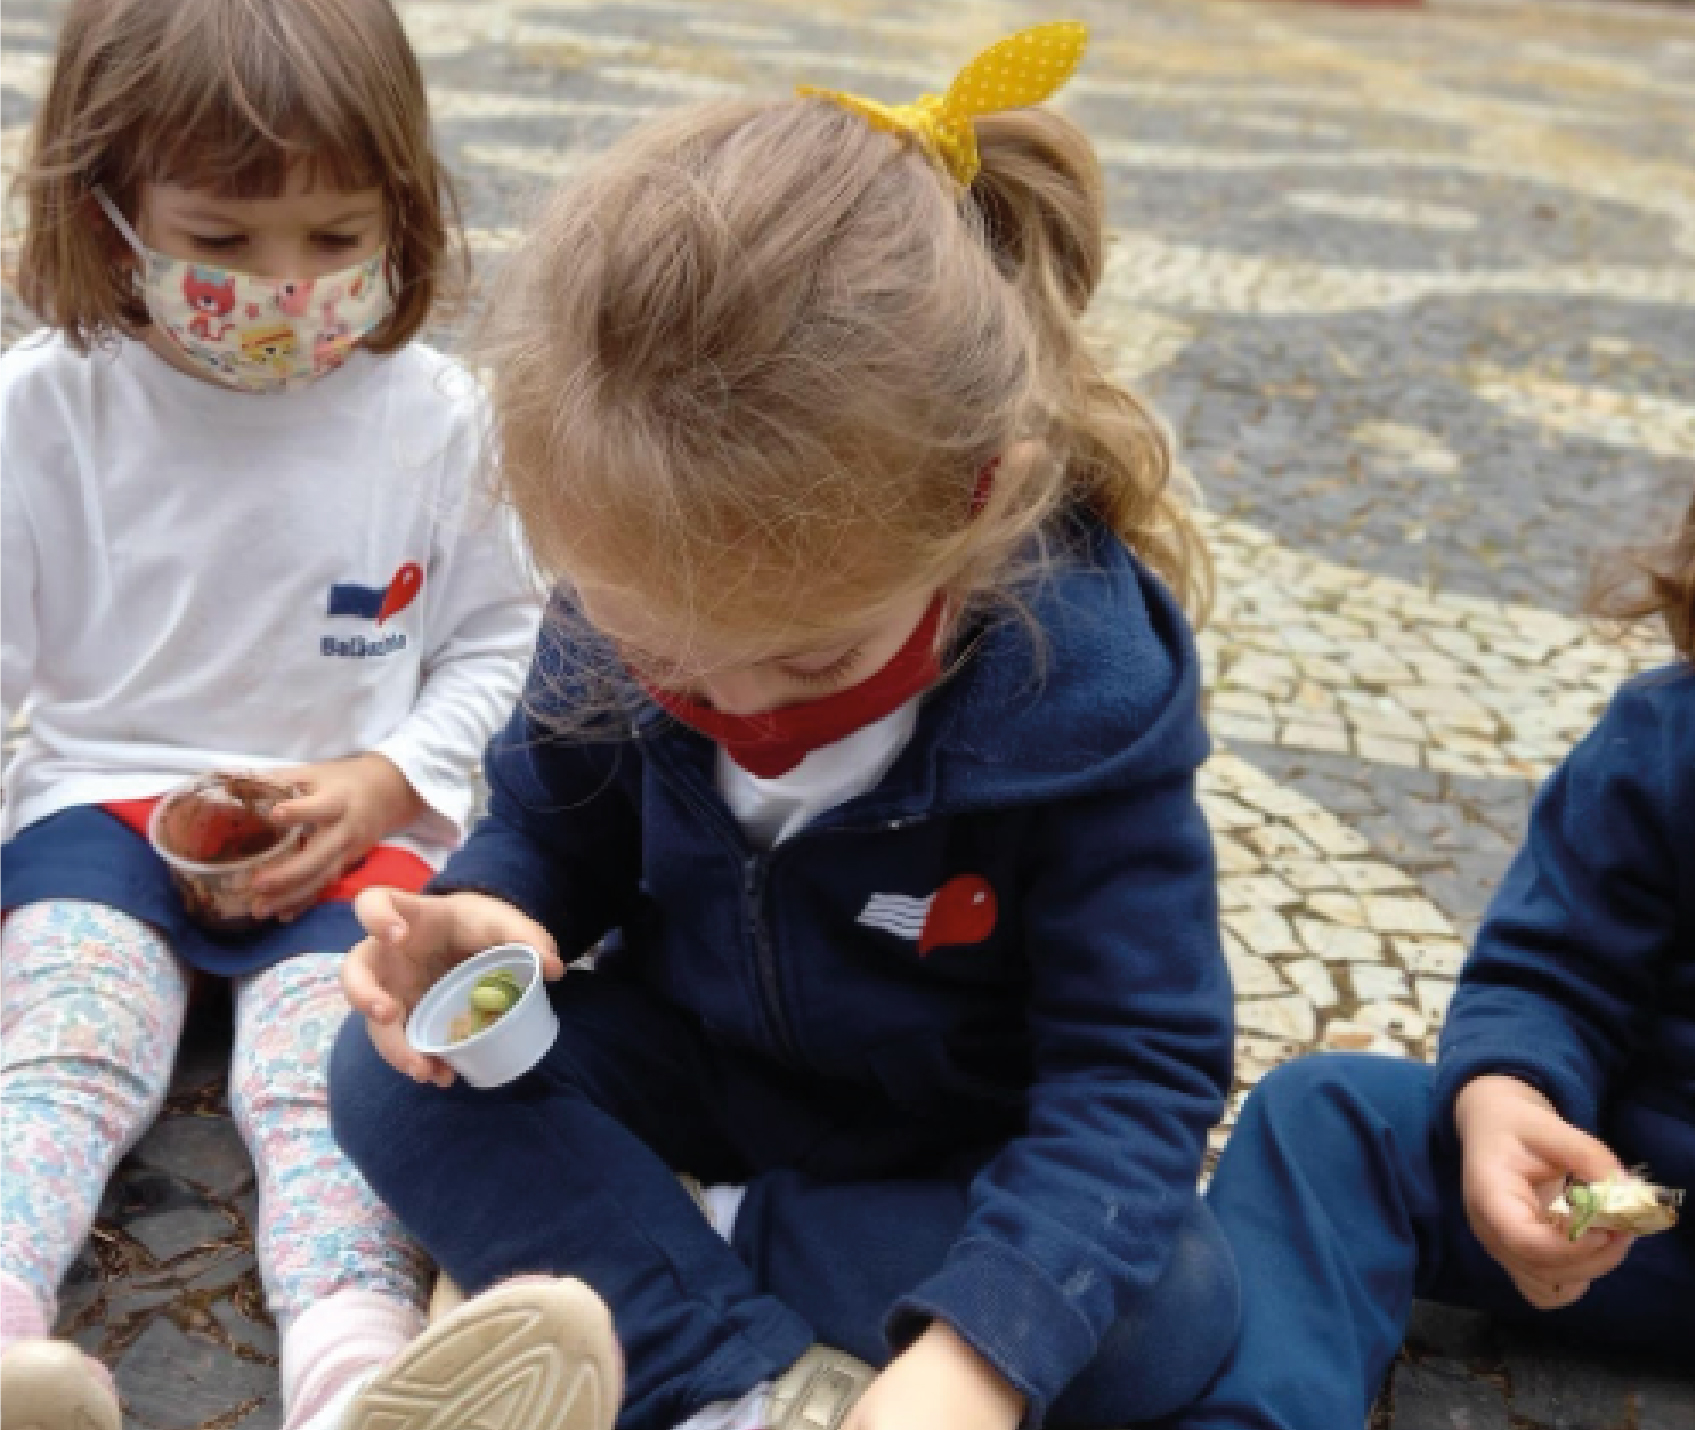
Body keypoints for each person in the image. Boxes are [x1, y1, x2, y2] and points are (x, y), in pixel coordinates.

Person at [329, 23, 1240, 1430]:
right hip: (694, 1066)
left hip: (949, 1158)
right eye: (663, 657)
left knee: (1175, 1298)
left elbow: (1132, 1074)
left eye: (812, 656)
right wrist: (495, 907)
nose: (739, 713)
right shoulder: (627, 580)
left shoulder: (1084, 706)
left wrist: (978, 1360)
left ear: (978, 499)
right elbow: (550, 828)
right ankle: (738, 1387)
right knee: (388, 1076)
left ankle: (648, 1263)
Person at [1166, 232, 1695, 1430]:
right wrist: (1507, 1102)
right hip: (1638, 1209)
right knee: (1328, 1117)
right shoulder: (1685, 740)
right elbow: (1553, 967)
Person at [0, 2, 612, 1428]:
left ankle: (362, 1381)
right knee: (67, 1049)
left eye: (336, 237)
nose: (285, 286)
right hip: (100, 803)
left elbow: (505, 638)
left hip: (356, 831)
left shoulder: (439, 416)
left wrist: (390, 777)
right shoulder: (43, 413)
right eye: (221, 240)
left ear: (403, 209)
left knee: (328, 1081)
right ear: (106, 212)